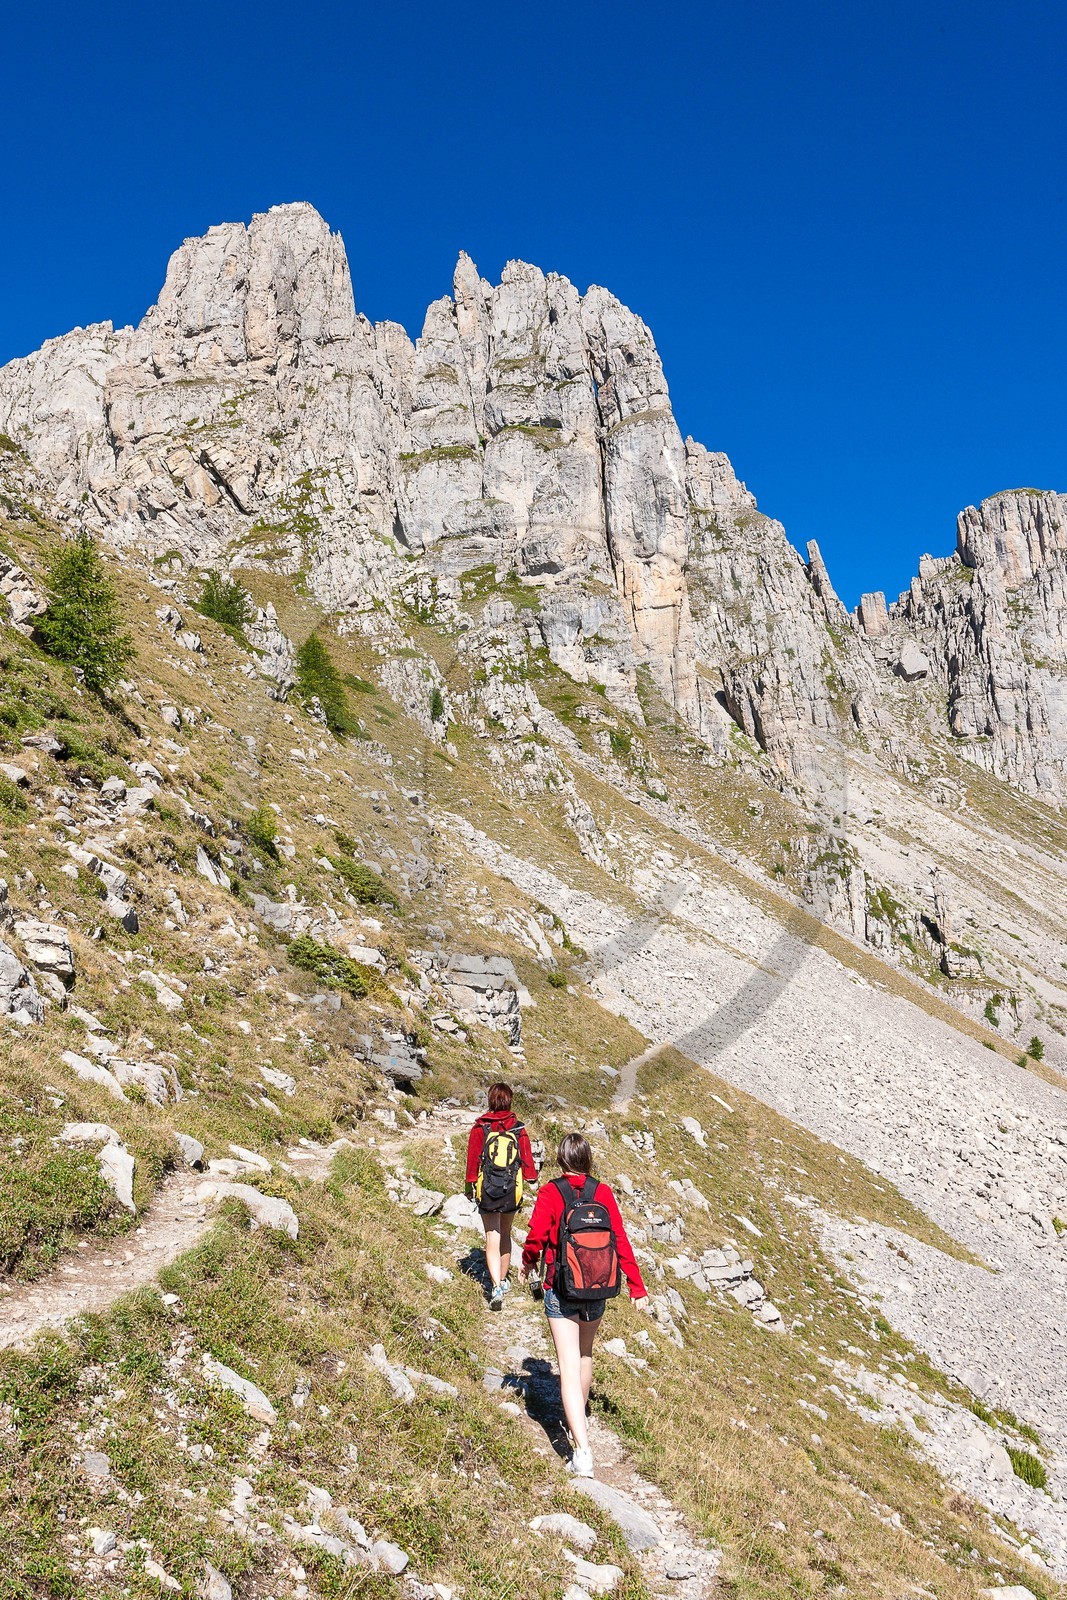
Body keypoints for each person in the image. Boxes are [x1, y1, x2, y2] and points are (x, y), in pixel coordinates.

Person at [520, 1132, 647, 1479]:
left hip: (561, 1289)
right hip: (597, 1288)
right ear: (588, 1159)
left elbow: (536, 1235)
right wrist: (636, 1287)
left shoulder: (551, 1191)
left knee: (567, 1364)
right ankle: (580, 1414)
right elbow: (619, 1239)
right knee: (585, 1354)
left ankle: (582, 1450)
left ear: (561, 1160)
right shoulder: (603, 1193)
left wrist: (528, 1263)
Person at [465, 1082, 538, 1310]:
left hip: (487, 1190)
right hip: (510, 1190)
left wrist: (469, 1187)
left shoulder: (480, 1128)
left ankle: (495, 1285)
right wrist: (531, 1178)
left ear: (490, 1100)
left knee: (492, 1237)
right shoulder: (518, 1128)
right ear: (509, 1100)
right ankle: (504, 1280)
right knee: (505, 1233)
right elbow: (527, 1165)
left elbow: (472, 1161)